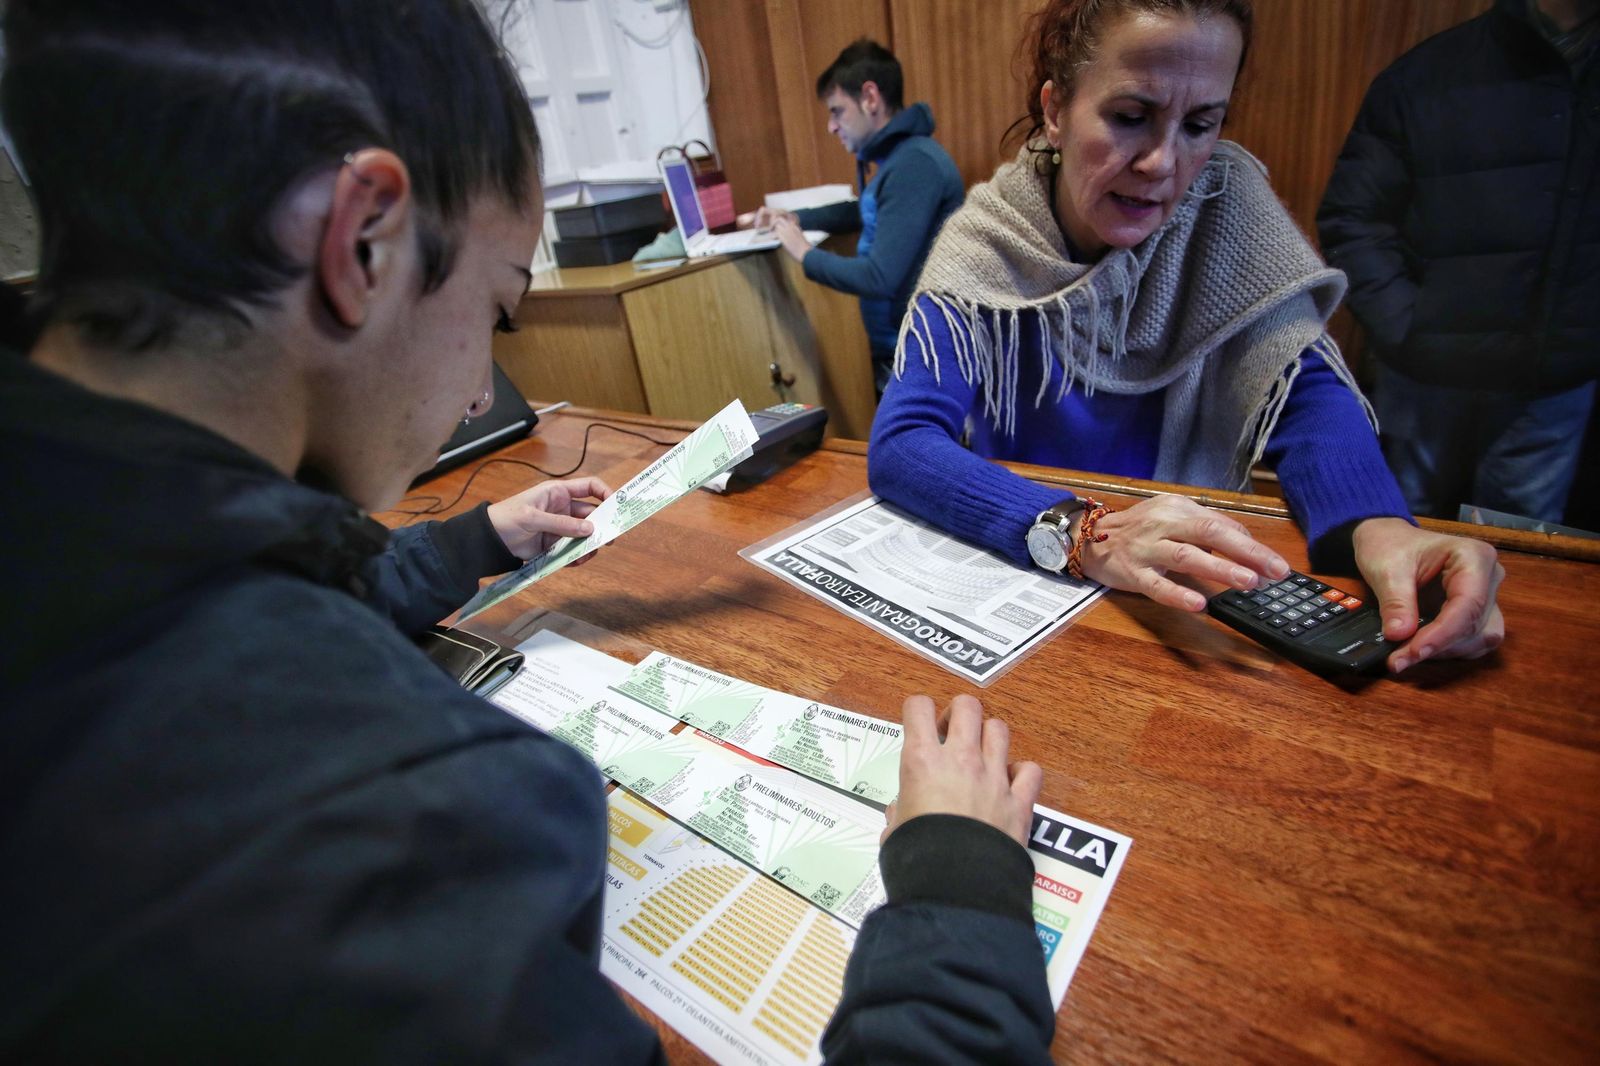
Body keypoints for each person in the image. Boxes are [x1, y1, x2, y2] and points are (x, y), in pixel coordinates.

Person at [0, 1, 1054, 1061]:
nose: (475, 393)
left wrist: (463, 545)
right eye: (500, 311)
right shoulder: (391, 812)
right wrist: (958, 898)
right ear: (362, 238)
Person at [867, 0, 1505, 675]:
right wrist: (1085, 531)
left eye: (1201, 124)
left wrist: (1380, 525)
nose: (1163, 162)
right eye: (1130, 117)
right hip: (1034, 575)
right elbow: (904, 444)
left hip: (1186, 598)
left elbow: (1303, 387)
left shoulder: (1229, 210)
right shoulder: (987, 247)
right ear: (1055, 110)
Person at [1317, 0, 1599, 525]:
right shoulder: (1429, 74)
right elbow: (1353, 217)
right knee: (1396, 529)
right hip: (1426, 369)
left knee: (1525, 548)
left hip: (1559, 376)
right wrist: (1407, 327)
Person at [743, 39, 964, 395]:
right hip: (903, 351)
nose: (831, 126)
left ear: (870, 98)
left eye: (836, 110)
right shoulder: (901, 159)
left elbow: (879, 277)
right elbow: (862, 210)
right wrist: (793, 217)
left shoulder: (914, 165)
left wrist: (805, 253)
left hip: (918, 358)